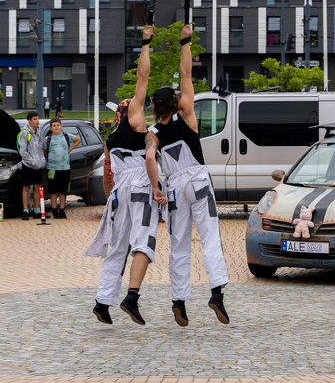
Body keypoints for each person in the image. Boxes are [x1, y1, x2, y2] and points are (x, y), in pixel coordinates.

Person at [146, 24, 231, 327]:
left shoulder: (153, 132)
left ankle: (178, 300)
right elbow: (186, 75)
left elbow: (149, 157)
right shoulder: (188, 116)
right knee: (209, 238)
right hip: (197, 180)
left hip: (172, 187)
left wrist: (157, 188)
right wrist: (186, 41)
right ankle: (216, 293)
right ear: (176, 104)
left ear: (156, 108)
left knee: (179, 245)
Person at [90, 25, 163, 326]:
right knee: (144, 241)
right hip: (139, 184)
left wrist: (112, 200)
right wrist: (144, 44)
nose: (143, 106)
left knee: (118, 247)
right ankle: (131, 297)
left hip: (118, 193)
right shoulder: (134, 119)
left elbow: (107, 178)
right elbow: (142, 78)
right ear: (129, 110)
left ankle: (102, 301)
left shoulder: (110, 140)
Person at [44, 118, 80, 219]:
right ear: (51, 128)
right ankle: (54, 209)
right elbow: (45, 152)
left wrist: (70, 149)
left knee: (63, 190)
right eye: (54, 125)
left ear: (61, 126)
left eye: (58, 125)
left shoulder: (66, 136)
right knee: (53, 190)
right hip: (52, 168)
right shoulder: (47, 139)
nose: (56, 127)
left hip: (65, 167)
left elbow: (77, 140)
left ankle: (62, 210)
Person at [18, 111, 45, 220]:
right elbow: (23, 151)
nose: (37, 121)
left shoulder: (39, 131)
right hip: (28, 165)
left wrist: (41, 160)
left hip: (38, 165)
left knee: (37, 187)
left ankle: (37, 209)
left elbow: (40, 149)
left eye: (38, 118)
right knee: (26, 187)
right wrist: (32, 161)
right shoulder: (25, 133)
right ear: (29, 121)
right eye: (35, 119)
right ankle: (25, 210)